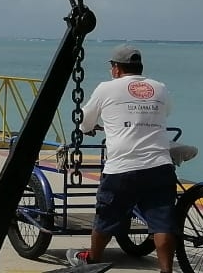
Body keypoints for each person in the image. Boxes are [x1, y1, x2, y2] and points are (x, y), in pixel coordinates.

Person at [67, 45, 176, 273]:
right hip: (159, 165)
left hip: (122, 169)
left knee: (106, 217)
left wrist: (91, 127)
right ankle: (166, 270)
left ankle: (93, 259)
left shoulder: (106, 88)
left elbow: (85, 122)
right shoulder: (160, 88)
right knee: (162, 222)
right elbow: (165, 113)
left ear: (116, 69)